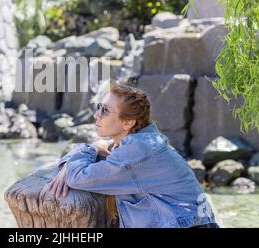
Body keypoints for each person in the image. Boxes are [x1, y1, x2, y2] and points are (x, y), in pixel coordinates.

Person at [48, 81, 219, 228]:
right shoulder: (144, 144)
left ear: (129, 122)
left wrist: (89, 150)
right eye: (99, 107)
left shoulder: (138, 153)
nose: (96, 115)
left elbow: (77, 177)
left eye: (105, 110)